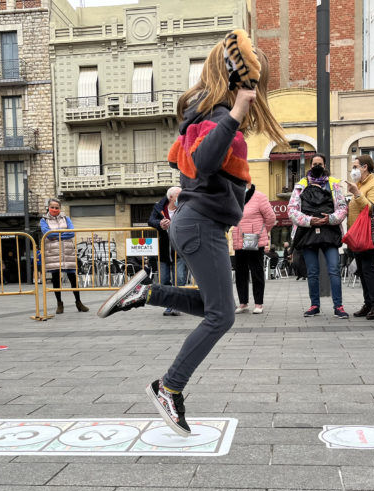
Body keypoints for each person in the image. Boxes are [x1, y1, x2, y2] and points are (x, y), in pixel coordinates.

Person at [96, 31, 286, 436]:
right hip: (200, 224)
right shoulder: (219, 113)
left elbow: (196, 169)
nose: (258, 92)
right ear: (240, 79)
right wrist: (236, 110)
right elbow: (201, 161)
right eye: (256, 83)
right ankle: (169, 387)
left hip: (196, 222)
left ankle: (145, 293)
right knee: (221, 316)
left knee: (216, 307)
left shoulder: (202, 110)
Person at [288, 153, 349, 318]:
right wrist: (309, 221)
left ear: (325, 165)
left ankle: (339, 306)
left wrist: (330, 219)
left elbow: (343, 208)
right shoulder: (300, 186)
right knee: (312, 272)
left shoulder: (334, 185)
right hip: (308, 232)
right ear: (310, 165)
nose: (317, 166)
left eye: (320, 164)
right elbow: (292, 210)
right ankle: (314, 305)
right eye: (314, 163)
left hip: (329, 231)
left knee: (334, 270)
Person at [346, 155, 374, 320]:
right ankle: (368, 303)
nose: (353, 170)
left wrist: (356, 193)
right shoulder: (360, 184)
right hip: (358, 235)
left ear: (365, 167)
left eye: (356, 167)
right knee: (362, 271)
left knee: (369, 269)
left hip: (370, 233)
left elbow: (371, 208)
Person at [231, 184, 276, 314]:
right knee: (240, 273)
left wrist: (262, 232)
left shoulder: (259, 197)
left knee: (256, 272)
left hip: (253, 239)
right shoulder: (234, 197)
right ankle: (243, 303)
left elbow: (271, 218)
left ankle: (258, 304)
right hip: (239, 240)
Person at [40, 199, 89, 314]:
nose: (54, 209)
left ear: (60, 209)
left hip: (67, 251)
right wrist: (62, 234)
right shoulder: (44, 220)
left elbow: (72, 232)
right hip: (53, 252)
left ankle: (78, 302)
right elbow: (47, 234)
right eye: (52, 207)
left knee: (73, 277)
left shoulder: (66, 219)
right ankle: (59, 304)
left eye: (57, 207)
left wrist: (55, 235)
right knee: (56, 279)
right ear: (48, 207)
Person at [148, 186, 188, 316]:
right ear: (171, 197)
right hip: (164, 251)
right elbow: (150, 220)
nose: (182, 198)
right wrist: (160, 224)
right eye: (179, 195)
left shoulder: (185, 207)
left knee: (180, 279)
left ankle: (179, 305)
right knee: (164, 280)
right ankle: (169, 305)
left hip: (180, 250)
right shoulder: (159, 208)